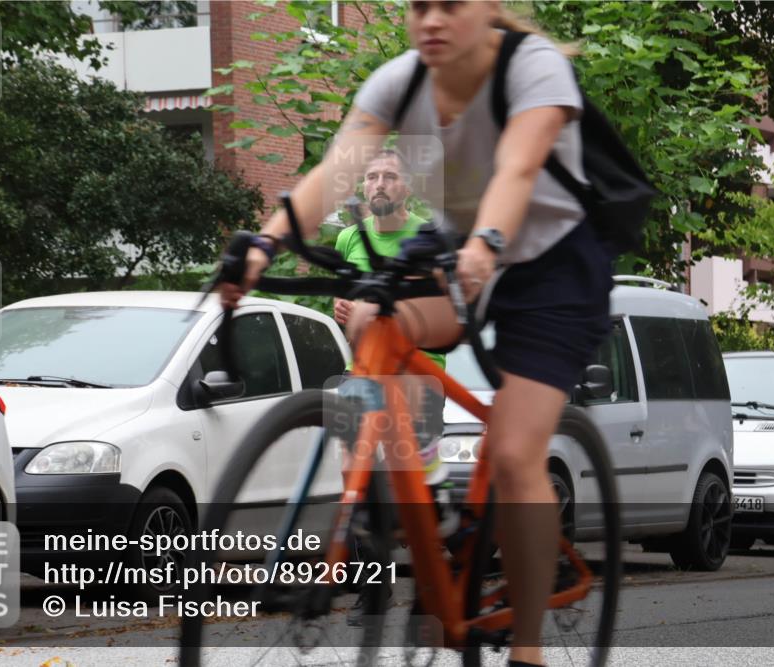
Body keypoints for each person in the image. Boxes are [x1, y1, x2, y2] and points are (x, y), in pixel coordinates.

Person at [220, 2, 614, 665]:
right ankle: (426, 508)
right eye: (419, 6)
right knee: (375, 324)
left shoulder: (533, 67)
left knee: (516, 453)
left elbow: (517, 170)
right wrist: (265, 243)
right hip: (459, 253)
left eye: (450, 5)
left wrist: (486, 243)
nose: (431, 19)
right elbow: (333, 174)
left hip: (554, 270)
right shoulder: (400, 82)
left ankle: (528, 648)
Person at [334, 147, 448, 490]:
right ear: (364, 186)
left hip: (417, 368)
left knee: (410, 477)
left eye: (390, 176)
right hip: (364, 365)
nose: (379, 184)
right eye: (372, 177)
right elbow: (342, 294)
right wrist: (340, 307)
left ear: (408, 188)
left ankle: (434, 505)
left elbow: (438, 308)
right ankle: (367, 521)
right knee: (351, 469)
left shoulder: (426, 237)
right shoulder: (348, 237)